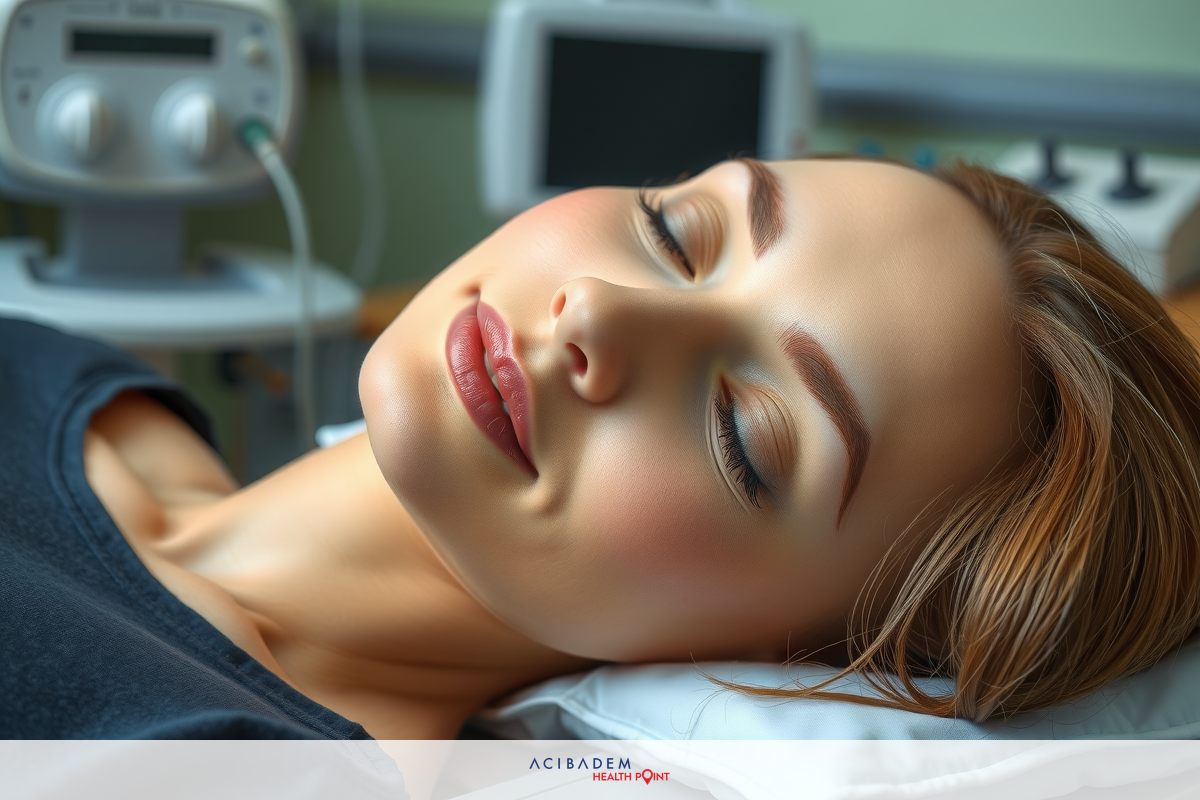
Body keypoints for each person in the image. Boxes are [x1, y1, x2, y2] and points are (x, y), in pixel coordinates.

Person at [2, 157, 1197, 739]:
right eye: (677, 231)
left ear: (800, 652)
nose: (598, 315)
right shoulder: (70, 376)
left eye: (744, 435)